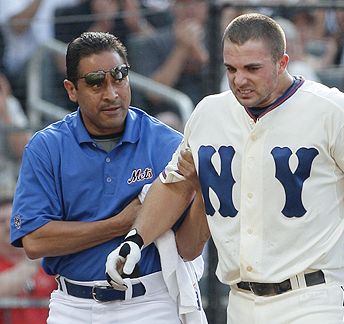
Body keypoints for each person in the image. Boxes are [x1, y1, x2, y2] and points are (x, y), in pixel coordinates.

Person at [106, 13, 344, 324]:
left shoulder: (335, 111)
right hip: (241, 300)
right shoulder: (210, 112)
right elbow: (176, 183)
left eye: (252, 68)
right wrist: (136, 239)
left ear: (282, 62)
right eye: (231, 69)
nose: (239, 79)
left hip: (314, 297)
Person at [9, 31, 206, 324]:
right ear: (71, 89)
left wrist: (202, 192)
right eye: (95, 82)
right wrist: (121, 223)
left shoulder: (166, 143)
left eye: (119, 76)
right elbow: (35, 242)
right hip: (73, 304)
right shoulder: (46, 147)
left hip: (150, 302)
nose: (111, 93)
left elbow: (188, 249)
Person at [1, 190, 57, 324]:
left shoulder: (50, 260)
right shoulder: (41, 258)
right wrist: (32, 260)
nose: (9, 227)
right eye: (1, 221)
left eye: (14, 220)